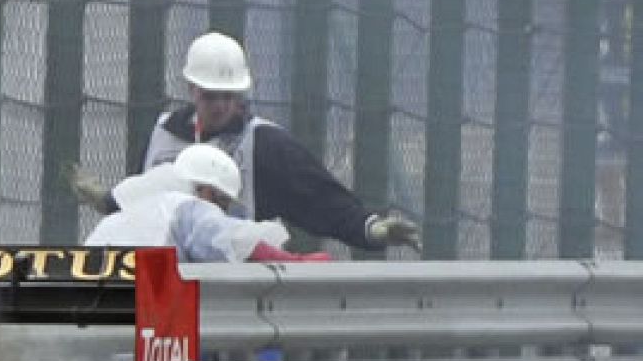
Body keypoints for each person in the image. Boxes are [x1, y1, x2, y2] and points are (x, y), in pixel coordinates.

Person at [69, 31, 420, 253]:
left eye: (229, 95)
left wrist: (369, 228)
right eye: (210, 95)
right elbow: (147, 210)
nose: (220, 105)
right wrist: (110, 201)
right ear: (191, 89)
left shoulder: (263, 144)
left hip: (229, 285)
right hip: (161, 282)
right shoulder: (163, 135)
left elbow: (320, 198)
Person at [85, 144, 328, 263]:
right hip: (139, 311)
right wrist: (295, 262)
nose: (222, 212)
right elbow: (230, 240)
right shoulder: (185, 208)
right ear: (207, 192)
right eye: (223, 203)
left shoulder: (122, 216)